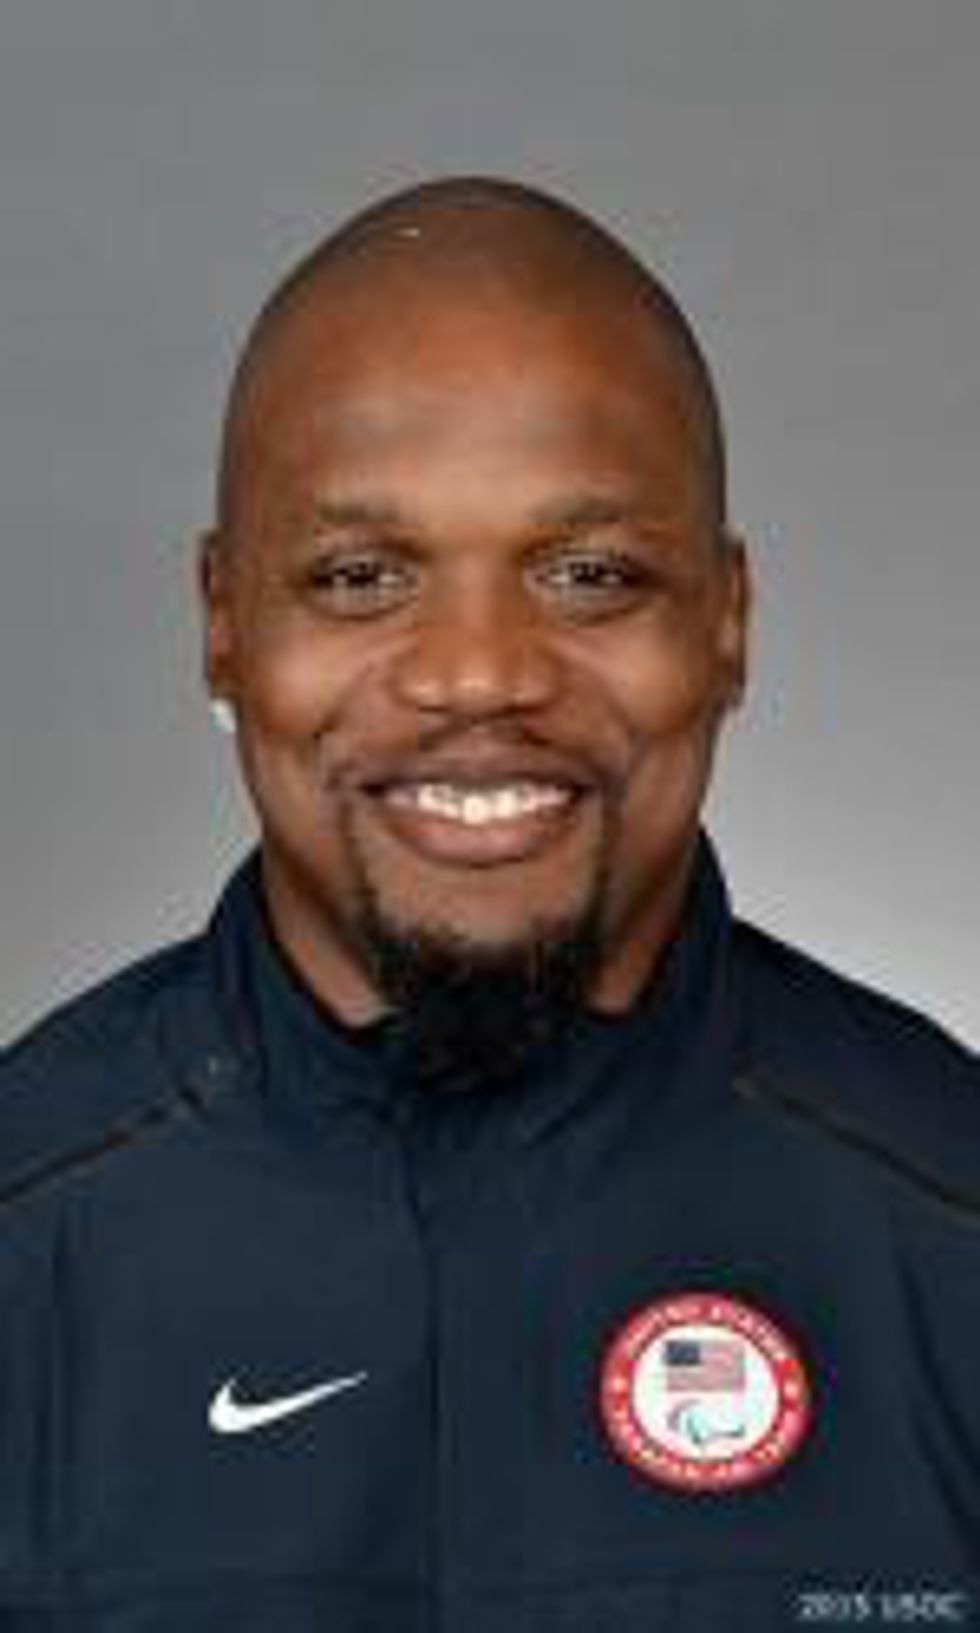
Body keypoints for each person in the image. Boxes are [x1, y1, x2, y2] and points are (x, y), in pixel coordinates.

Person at [1, 176, 977, 1632]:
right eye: (359, 576)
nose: (477, 674)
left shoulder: (950, 1227)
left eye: (589, 575)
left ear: (726, 622)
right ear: (222, 621)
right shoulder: (28, 1232)